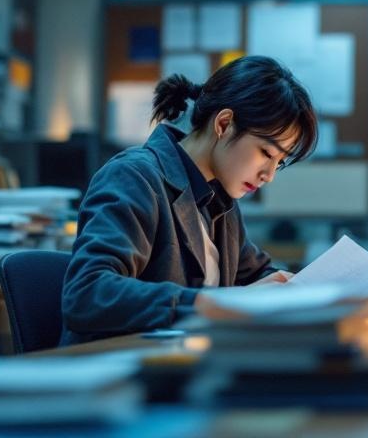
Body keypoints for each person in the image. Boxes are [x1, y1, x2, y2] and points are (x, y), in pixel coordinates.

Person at [60, 56, 318, 345]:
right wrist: (211, 304)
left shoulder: (219, 199)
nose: (269, 175)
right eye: (266, 153)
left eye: (280, 162)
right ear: (224, 124)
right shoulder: (135, 177)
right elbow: (87, 294)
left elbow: (257, 275)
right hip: (118, 372)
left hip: (186, 367)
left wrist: (305, 293)